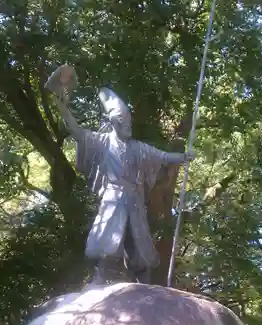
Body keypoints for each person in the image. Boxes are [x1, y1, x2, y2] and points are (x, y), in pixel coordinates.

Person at [49, 68, 195, 284]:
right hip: (113, 197)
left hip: (134, 198)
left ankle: (143, 278)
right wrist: (62, 107)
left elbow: (163, 156)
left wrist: (183, 156)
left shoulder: (137, 148)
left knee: (139, 240)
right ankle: (101, 275)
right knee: (109, 236)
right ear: (113, 122)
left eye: (129, 123)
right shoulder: (102, 142)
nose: (128, 127)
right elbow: (77, 132)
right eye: (123, 123)